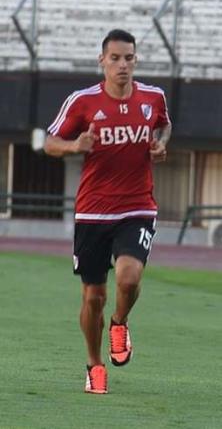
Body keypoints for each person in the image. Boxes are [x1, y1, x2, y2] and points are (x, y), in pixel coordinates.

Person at [44, 29, 171, 394]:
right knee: (92, 296)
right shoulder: (82, 102)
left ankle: (120, 323)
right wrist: (73, 145)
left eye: (128, 58)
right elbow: (50, 142)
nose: (122, 65)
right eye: (115, 58)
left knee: (129, 278)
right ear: (102, 61)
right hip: (93, 213)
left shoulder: (153, 97)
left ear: (136, 60)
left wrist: (161, 144)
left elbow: (164, 125)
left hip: (137, 206)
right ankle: (94, 363)